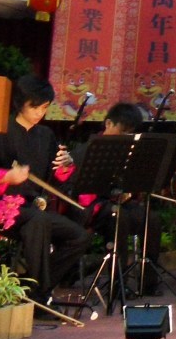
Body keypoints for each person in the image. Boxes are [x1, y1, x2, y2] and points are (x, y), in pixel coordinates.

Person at [0, 75, 91, 307]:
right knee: (38, 220)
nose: (40, 112)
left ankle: (33, 288)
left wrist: (64, 166)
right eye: (35, 107)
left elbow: (53, 179)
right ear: (20, 103)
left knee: (79, 236)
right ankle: (40, 297)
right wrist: (5, 177)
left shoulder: (45, 135)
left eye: (44, 107)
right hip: (1, 208)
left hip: (32, 208)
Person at [69, 102, 163, 295]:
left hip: (116, 203)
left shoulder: (129, 150)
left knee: (151, 219)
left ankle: (148, 283)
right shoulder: (87, 149)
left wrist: (129, 190)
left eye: (129, 133)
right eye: (122, 131)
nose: (125, 136)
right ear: (108, 123)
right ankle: (118, 284)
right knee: (120, 218)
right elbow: (78, 189)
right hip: (93, 207)